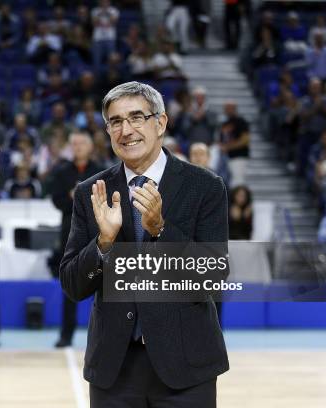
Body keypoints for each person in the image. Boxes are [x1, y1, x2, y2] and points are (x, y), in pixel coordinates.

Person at [59, 81, 229, 407]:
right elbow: (72, 284)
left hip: (187, 367)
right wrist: (103, 243)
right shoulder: (90, 192)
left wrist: (162, 231)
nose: (126, 130)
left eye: (137, 117)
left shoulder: (205, 187)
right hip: (114, 368)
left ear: (161, 123)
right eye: (116, 121)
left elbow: (212, 275)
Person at [48, 131, 103, 348]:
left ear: (90, 146)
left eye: (82, 143)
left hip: (97, 232)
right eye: (74, 143)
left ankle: (102, 335)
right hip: (69, 232)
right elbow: (56, 200)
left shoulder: (100, 170)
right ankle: (66, 334)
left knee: (101, 283)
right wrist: (71, 198)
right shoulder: (62, 171)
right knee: (70, 282)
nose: (78, 147)